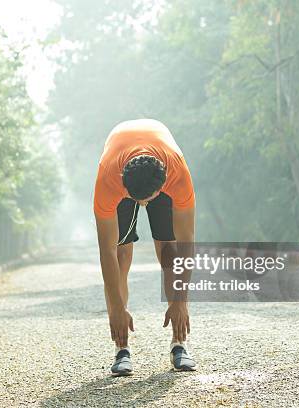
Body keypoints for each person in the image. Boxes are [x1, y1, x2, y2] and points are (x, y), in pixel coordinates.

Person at [93, 118, 197, 376]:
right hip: (120, 165)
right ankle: (121, 350)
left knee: (169, 251)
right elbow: (106, 252)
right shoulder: (109, 179)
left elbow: (187, 243)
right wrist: (117, 308)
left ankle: (179, 344)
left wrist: (180, 301)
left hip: (161, 166)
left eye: (145, 200)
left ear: (162, 188)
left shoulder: (178, 176)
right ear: (123, 184)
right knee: (121, 253)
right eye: (134, 199)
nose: (141, 205)